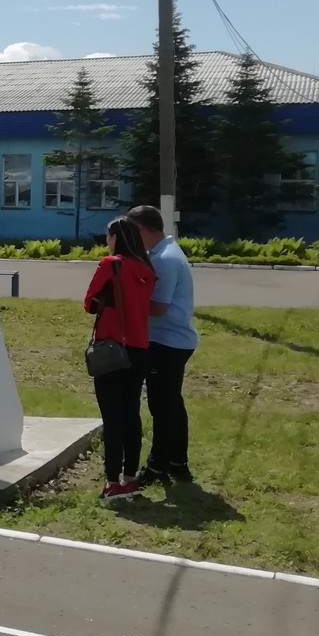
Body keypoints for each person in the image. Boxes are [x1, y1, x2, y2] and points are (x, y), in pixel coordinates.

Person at [82, 216, 156, 501]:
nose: (107, 241)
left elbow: (89, 302)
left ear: (116, 238)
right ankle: (130, 478)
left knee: (112, 417)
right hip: (139, 349)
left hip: (112, 350)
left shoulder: (110, 264)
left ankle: (112, 482)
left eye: (108, 236)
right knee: (131, 414)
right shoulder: (147, 268)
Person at [128, 204, 199, 486]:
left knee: (162, 407)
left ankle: (156, 467)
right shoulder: (160, 253)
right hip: (170, 339)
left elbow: (158, 307)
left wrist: (124, 303)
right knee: (171, 404)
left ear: (141, 230)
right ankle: (177, 463)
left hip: (167, 341)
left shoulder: (165, 259)